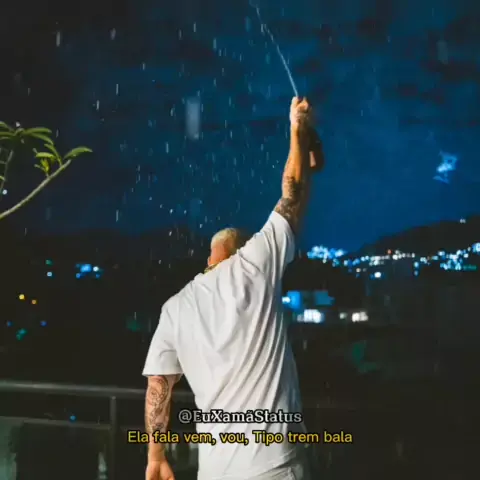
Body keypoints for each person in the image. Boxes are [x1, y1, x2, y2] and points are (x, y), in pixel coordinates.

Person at [143, 97, 322, 480]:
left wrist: (156, 456)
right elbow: (291, 194)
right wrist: (296, 130)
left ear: (211, 257)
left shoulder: (175, 308)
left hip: (215, 471)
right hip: (274, 467)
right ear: (239, 249)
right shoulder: (253, 265)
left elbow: (158, 386)